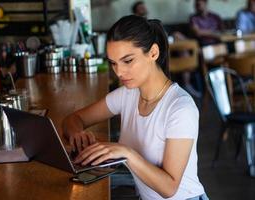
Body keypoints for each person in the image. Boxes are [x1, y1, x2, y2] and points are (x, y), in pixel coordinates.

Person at [62, 15, 207, 200]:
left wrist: (126, 153)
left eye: (128, 61)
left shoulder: (180, 108)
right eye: (113, 63)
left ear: (153, 53)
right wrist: (77, 135)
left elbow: (169, 188)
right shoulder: (128, 94)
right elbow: (73, 119)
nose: (119, 72)